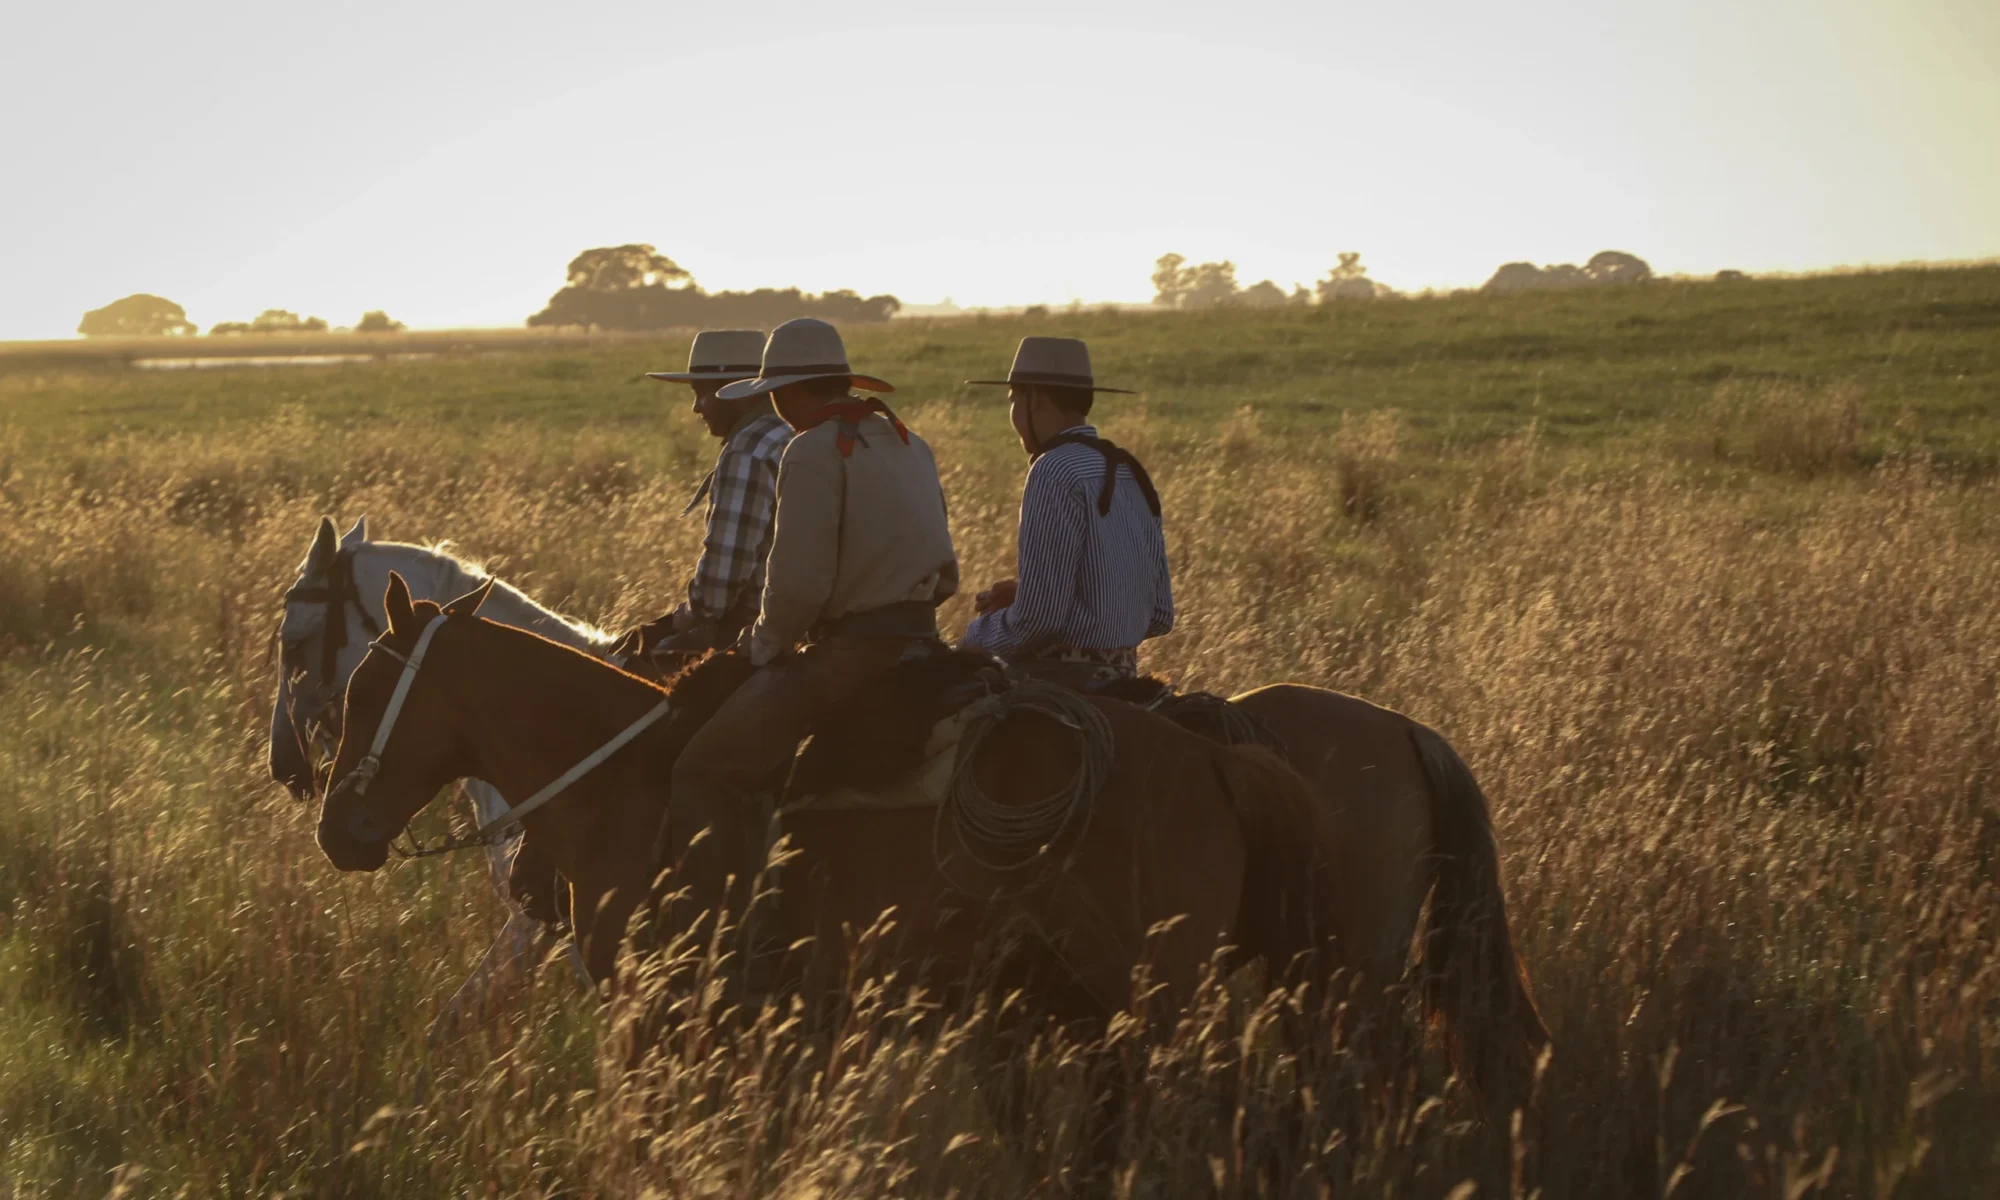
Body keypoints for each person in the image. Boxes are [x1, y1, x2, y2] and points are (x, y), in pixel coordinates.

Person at [667, 318, 959, 923]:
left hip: (851, 656)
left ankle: (726, 938)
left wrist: (761, 648)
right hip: (925, 640)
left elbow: (798, 588)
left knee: (702, 767)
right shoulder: (909, 440)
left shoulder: (810, 450)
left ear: (785, 390)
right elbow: (947, 573)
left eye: (773, 391)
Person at [961, 336, 1172, 688]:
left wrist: (975, 636)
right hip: (1126, 676)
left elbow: (1039, 620)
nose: (1012, 414)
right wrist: (1029, 593)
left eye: (1014, 400)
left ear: (1036, 398)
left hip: (1062, 681)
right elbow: (1161, 615)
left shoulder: (1052, 470)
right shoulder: (1129, 470)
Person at [626, 330, 790, 663]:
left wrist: (681, 618)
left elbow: (720, 582)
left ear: (739, 392)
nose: (697, 408)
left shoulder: (748, 451)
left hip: (759, 628)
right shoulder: (790, 432)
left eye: (703, 393)